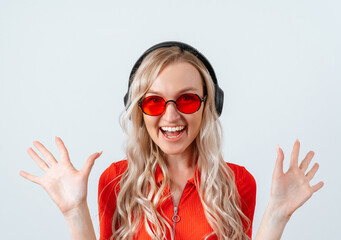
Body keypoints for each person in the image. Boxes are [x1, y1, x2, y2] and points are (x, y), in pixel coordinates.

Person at [19, 41, 324, 240]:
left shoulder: (237, 181)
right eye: (154, 101)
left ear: (208, 105)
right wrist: (75, 212)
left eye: (187, 99)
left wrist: (276, 216)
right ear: (139, 111)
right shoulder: (115, 181)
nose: (171, 115)